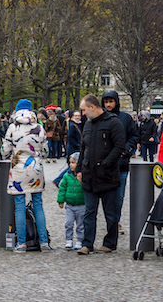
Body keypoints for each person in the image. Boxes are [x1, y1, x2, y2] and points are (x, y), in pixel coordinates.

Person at [75, 94, 125, 255]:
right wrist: (79, 169)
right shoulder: (88, 124)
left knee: (110, 213)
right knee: (89, 212)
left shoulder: (113, 122)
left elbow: (119, 147)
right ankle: (87, 244)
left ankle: (110, 243)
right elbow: (84, 148)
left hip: (107, 175)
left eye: (83, 110)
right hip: (90, 175)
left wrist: (106, 164)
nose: (82, 113)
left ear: (92, 107)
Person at [0, 100, 52, 252]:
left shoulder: (12, 127)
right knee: (38, 205)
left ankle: (21, 243)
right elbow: (45, 152)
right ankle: (43, 243)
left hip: (18, 170)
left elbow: (4, 150)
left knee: (20, 206)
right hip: (35, 170)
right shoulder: (39, 127)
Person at [101, 90, 138, 237]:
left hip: (120, 164)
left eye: (111, 101)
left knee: (118, 197)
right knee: (105, 197)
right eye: (106, 102)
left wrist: (126, 150)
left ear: (116, 102)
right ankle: (110, 221)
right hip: (103, 163)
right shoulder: (100, 118)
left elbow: (134, 136)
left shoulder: (126, 118)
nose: (108, 104)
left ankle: (115, 222)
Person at [57, 152, 85, 249]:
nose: (70, 165)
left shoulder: (82, 176)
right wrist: (61, 201)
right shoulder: (66, 176)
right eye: (70, 163)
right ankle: (69, 239)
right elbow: (62, 188)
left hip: (81, 205)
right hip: (70, 205)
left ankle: (79, 240)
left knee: (80, 225)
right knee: (68, 223)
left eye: (73, 162)